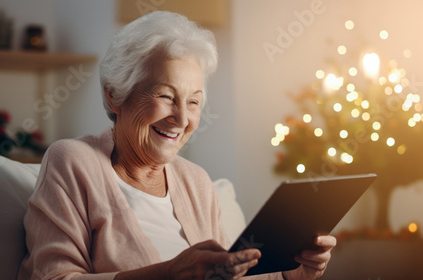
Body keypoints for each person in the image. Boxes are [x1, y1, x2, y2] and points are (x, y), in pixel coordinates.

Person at [18, 11, 336, 280]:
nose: (182, 118)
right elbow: (54, 276)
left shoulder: (196, 182)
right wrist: (168, 274)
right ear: (115, 95)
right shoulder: (72, 162)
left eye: (194, 101)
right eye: (166, 97)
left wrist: (291, 273)